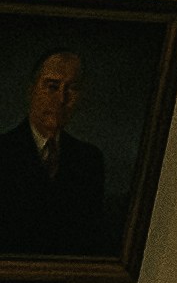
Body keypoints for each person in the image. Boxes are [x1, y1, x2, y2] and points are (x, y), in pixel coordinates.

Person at [0, 40, 109, 262]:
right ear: (32, 90)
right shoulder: (3, 151)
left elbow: (90, 239)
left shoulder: (89, 160)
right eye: (52, 86)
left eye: (72, 89)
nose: (61, 99)